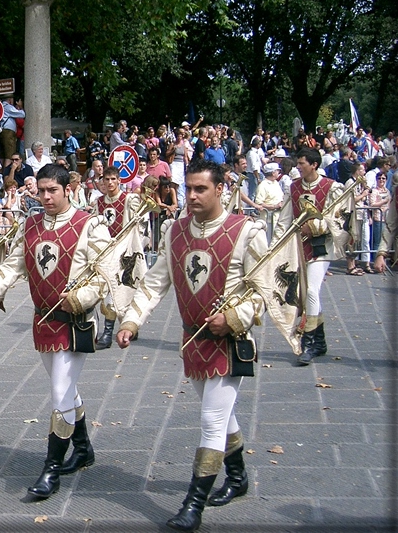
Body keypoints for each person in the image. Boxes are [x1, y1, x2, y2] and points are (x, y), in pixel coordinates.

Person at [116, 160, 268, 532]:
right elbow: (155, 282)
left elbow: (264, 290)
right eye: (190, 189)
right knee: (223, 414)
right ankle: (238, 477)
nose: (193, 196)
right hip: (192, 341)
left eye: (201, 189)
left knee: (212, 420)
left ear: (220, 190)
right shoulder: (175, 231)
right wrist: (132, 320)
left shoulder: (246, 231)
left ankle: (193, 505)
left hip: (229, 342)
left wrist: (234, 317)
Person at [0, 163, 111, 500]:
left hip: (74, 323)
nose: (45, 197)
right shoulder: (30, 225)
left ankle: (50, 471)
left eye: (52, 191)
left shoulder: (90, 226)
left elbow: (105, 275)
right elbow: (13, 266)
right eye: (41, 190)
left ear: (67, 190)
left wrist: (81, 298)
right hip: (42, 319)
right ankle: (84, 448)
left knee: (61, 391)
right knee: (66, 389)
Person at [273, 148, 345, 366]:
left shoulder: (332, 187)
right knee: (305, 293)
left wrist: (316, 226)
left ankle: (309, 342)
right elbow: (285, 220)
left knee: (312, 290)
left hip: (322, 246)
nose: (298, 167)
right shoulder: (293, 187)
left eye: (302, 163)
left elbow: (338, 219)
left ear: (314, 164)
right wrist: (274, 246)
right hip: (298, 247)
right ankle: (320, 341)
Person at [91, 165, 147, 349]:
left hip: (125, 252)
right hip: (106, 253)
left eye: (113, 179)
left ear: (119, 181)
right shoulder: (98, 203)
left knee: (128, 289)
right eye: (106, 179)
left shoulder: (128, 200)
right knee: (109, 291)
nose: (109, 183)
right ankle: (107, 334)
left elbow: (140, 221)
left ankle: (130, 325)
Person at [0, 95, 25, 166]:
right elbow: (22, 114)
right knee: (9, 155)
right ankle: (6, 174)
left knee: (3, 155)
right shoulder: (7, 107)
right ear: (10, 99)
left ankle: (2, 172)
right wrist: (21, 106)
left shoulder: (0, 106)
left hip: (2, 131)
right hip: (8, 132)